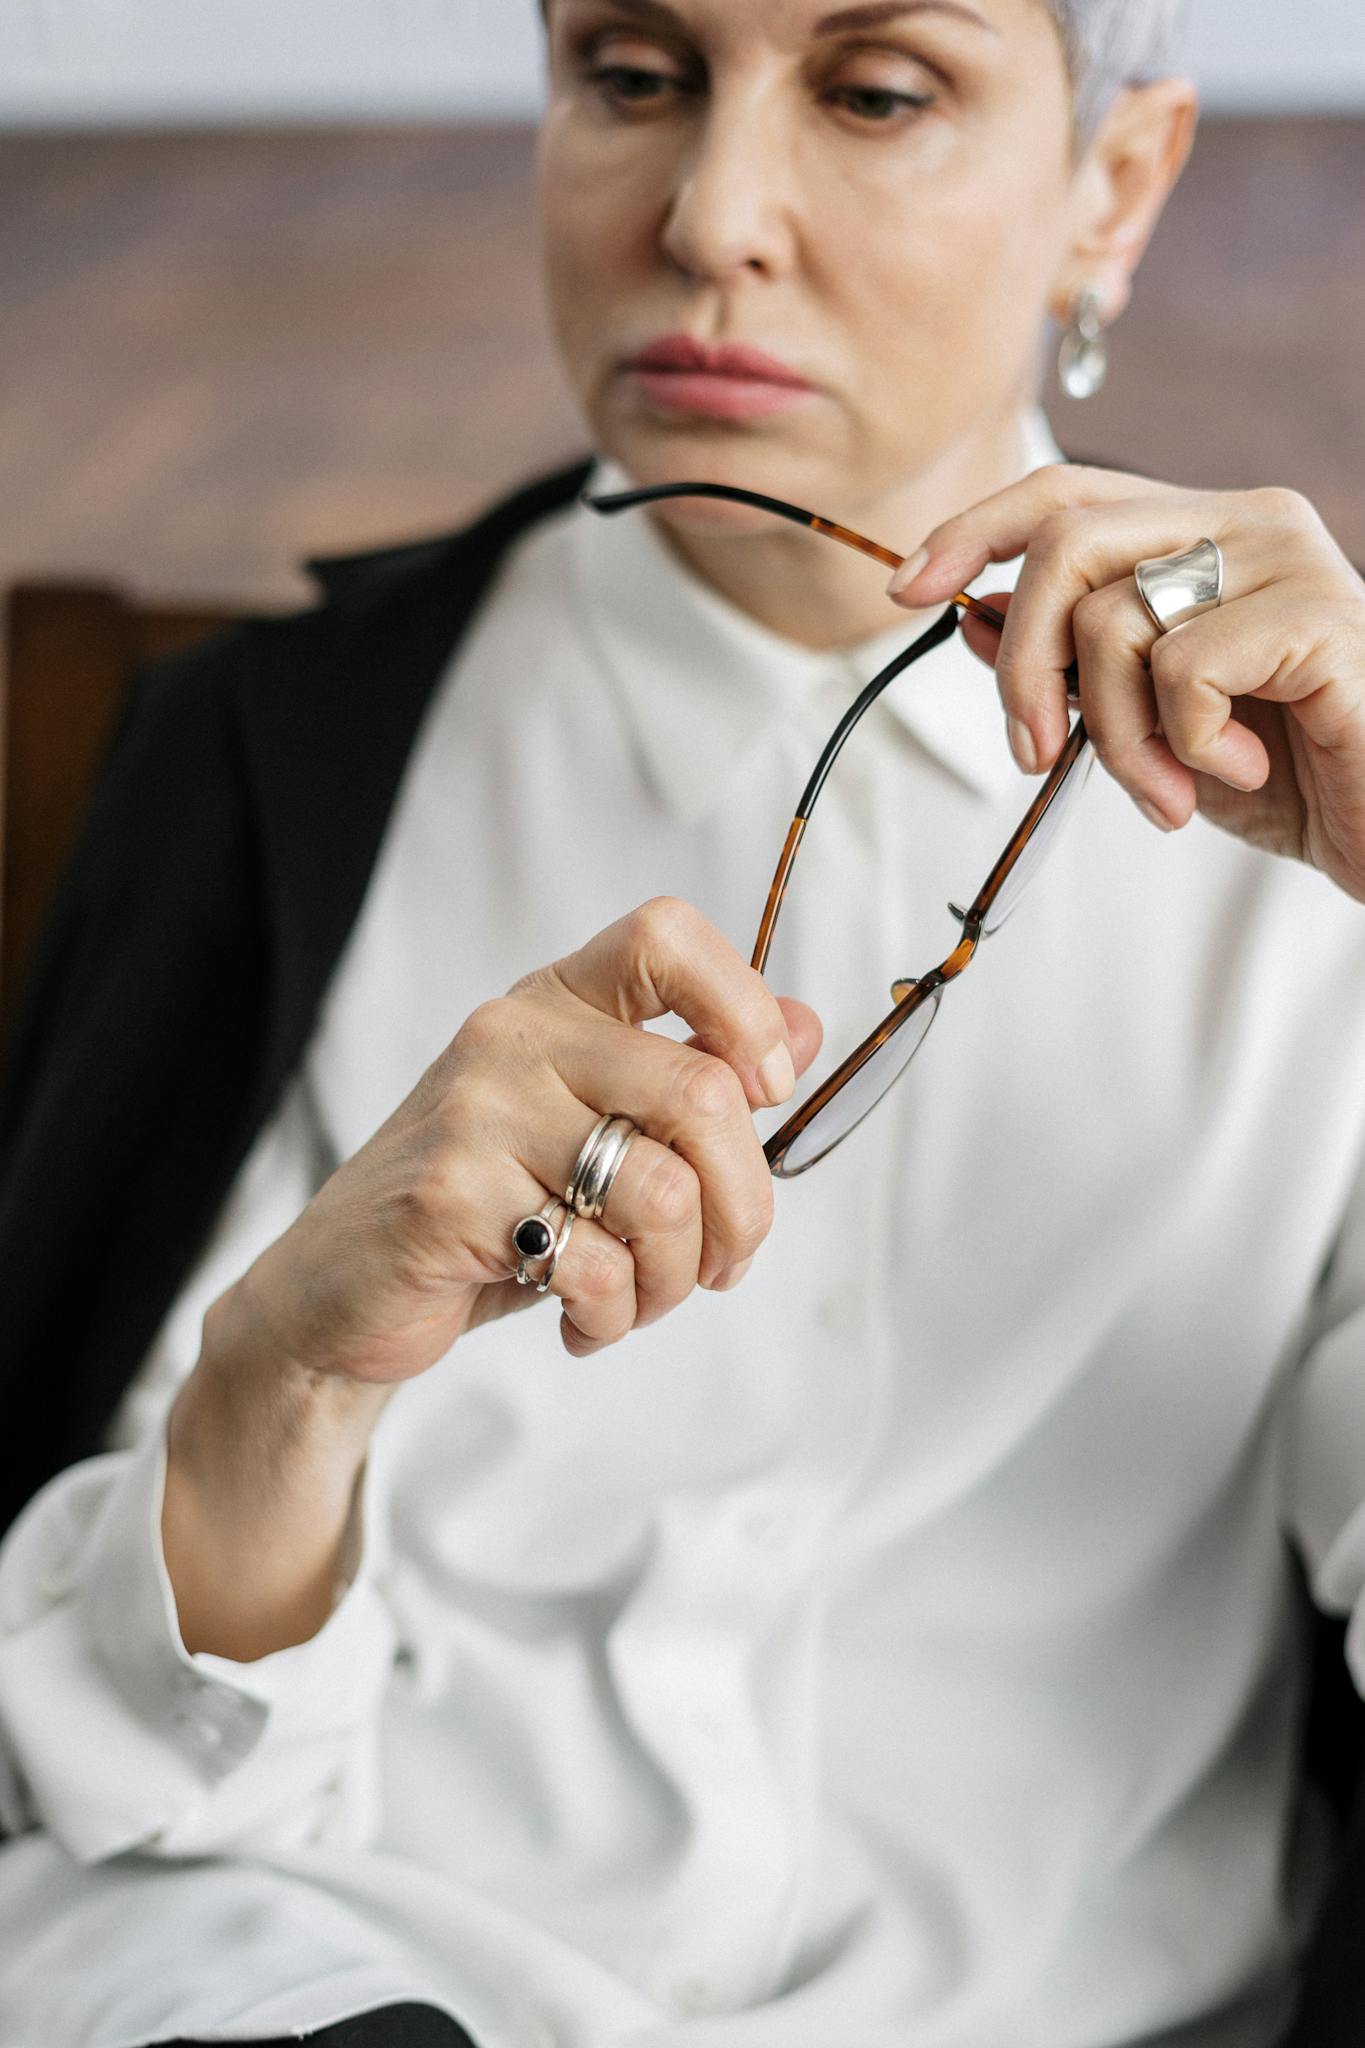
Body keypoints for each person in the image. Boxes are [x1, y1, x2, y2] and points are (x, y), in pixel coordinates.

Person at [2, 0, 1364, 2042]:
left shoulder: (1327, 851)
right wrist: (276, 1381)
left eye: (874, 90)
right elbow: (101, 1780)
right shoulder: (254, 770)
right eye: (629, 79)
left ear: (1117, 181)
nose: (710, 218)